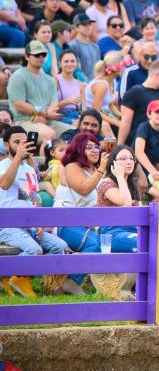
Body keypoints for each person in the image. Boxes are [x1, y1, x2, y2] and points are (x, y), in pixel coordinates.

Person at [0, 126, 70, 258]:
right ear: (6, 145)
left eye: (24, 142)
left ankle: (40, 272)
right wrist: (18, 158)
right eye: (17, 142)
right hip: (7, 226)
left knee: (61, 247)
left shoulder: (29, 169)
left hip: (28, 225)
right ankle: (11, 272)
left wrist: (39, 223)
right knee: (34, 250)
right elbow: (4, 184)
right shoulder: (2, 165)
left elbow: (31, 198)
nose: (22, 146)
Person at [54, 132, 104, 252]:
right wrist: (102, 169)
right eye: (89, 147)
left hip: (92, 224)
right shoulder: (72, 167)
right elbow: (83, 189)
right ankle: (73, 265)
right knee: (97, 245)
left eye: (97, 147)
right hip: (67, 223)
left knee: (115, 243)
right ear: (79, 150)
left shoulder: (96, 171)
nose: (95, 151)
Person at [8, 40, 66, 144]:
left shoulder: (49, 80)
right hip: (23, 122)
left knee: (74, 132)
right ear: (27, 56)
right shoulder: (18, 77)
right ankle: (45, 155)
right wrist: (45, 115)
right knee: (49, 134)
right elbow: (18, 104)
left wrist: (45, 118)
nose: (41, 57)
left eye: (43, 54)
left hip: (47, 121)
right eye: (37, 55)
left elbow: (54, 104)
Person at [117, 60, 159, 146]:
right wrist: (119, 146)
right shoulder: (135, 92)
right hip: (139, 142)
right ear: (157, 75)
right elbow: (125, 122)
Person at [54, 50, 85, 126]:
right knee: (78, 124)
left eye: (72, 61)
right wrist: (67, 101)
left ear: (76, 63)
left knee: (102, 124)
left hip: (76, 115)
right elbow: (49, 107)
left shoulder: (80, 84)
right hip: (61, 115)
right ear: (60, 63)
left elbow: (83, 108)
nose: (69, 64)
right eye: (66, 61)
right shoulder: (55, 81)